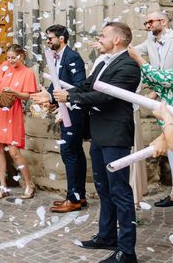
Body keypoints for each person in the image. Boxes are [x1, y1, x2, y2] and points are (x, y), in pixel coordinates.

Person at [54, 22, 141, 263]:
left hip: (115, 135)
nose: (98, 39)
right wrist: (54, 97)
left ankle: (127, 251)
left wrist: (70, 96)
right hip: (99, 134)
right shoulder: (104, 62)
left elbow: (105, 96)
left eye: (103, 35)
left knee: (120, 192)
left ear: (117, 40)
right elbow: (86, 85)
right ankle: (106, 236)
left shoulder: (129, 66)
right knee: (103, 189)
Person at [31, 25, 87, 212]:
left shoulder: (73, 57)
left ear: (61, 38)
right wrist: (47, 96)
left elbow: (79, 86)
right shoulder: (56, 57)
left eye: (50, 38)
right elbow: (56, 83)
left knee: (70, 153)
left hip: (74, 113)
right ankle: (79, 196)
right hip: (65, 110)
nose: (47, 41)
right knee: (72, 153)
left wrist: (52, 97)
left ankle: (73, 199)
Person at [0, 44, 37, 199]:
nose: (11, 61)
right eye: (9, 58)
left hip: (13, 113)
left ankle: (29, 184)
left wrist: (14, 92)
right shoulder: (4, 66)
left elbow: (27, 96)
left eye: (14, 57)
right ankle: (3, 187)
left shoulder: (28, 73)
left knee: (13, 151)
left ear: (22, 56)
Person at [134, 10, 173, 208]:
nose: (147, 25)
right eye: (145, 22)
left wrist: (141, 62)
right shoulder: (150, 40)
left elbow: (166, 79)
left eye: (150, 22)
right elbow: (133, 50)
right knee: (171, 149)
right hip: (163, 103)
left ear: (163, 21)